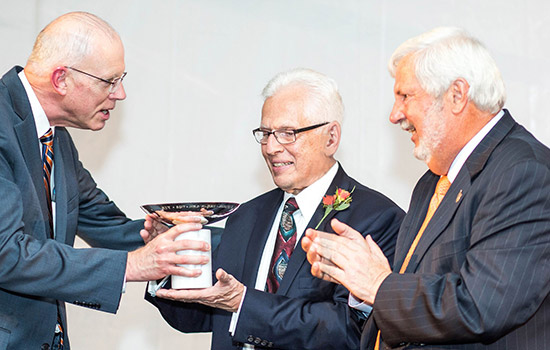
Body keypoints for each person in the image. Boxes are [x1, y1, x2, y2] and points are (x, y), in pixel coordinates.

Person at [302, 27, 550, 350]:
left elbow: (479, 306)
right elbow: (423, 301)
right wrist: (364, 287)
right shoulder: (430, 183)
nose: (394, 115)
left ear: (457, 95)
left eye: (405, 96)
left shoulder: (524, 172)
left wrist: (379, 283)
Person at [145, 68, 404, 349]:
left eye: (287, 133)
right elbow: (197, 317)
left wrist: (244, 304)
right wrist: (168, 264)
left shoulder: (376, 218)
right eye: (265, 133)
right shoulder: (246, 216)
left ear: (331, 138)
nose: (270, 147)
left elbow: (351, 331)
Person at [0, 11, 206, 350]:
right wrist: (134, 264)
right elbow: (8, 254)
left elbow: (110, 227)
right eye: (110, 81)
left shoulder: (55, 137)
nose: (121, 93)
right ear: (61, 78)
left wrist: (179, 237)